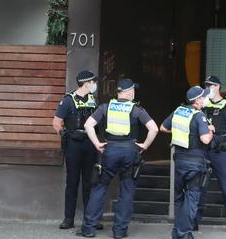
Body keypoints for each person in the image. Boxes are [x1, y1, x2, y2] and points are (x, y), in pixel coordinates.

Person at [76, 78, 158, 239]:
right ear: (128, 92)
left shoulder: (106, 107)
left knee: (99, 187)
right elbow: (153, 129)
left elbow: (88, 125)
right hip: (129, 151)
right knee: (127, 190)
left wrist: (97, 143)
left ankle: (89, 229)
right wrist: (145, 146)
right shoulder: (136, 110)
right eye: (133, 90)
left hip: (110, 150)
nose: (134, 92)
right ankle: (120, 231)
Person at [160, 86, 214, 239]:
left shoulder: (178, 111)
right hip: (195, 163)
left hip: (180, 161)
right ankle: (184, 233)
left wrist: (181, 131)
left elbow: (163, 127)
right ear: (196, 101)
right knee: (192, 198)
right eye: (203, 97)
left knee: (179, 198)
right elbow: (205, 139)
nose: (205, 99)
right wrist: (210, 130)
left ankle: (177, 232)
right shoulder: (199, 116)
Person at [196, 76, 226, 234]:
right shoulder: (201, 103)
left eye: (210, 85)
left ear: (218, 86)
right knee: (199, 187)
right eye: (206, 85)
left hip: (221, 152)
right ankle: (194, 220)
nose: (207, 88)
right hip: (204, 150)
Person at [52, 70, 99, 230]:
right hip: (73, 145)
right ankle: (68, 218)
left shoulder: (94, 101)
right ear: (86, 83)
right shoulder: (68, 100)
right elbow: (56, 122)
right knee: (72, 182)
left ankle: (90, 219)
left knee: (90, 183)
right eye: (93, 82)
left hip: (90, 145)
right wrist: (63, 134)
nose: (95, 85)